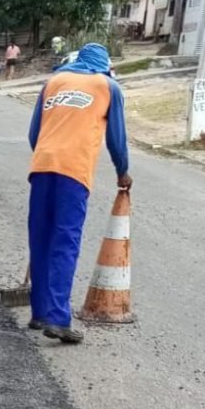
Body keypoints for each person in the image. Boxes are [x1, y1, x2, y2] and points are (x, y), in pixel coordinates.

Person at [26, 42, 131, 344]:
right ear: (105, 65)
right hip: (73, 172)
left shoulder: (53, 82)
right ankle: (58, 318)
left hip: (42, 166)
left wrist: (48, 157)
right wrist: (122, 171)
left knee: (41, 238)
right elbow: (117, 138)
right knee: (65, 241)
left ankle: (40, 313)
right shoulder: (107, 86)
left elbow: (34, 133)